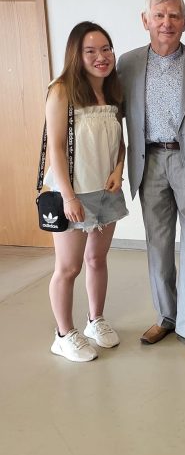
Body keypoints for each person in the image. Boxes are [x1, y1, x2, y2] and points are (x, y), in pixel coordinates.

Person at [117, 0, 185, 356]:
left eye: (174, 16)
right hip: (149, 162)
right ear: (145, 20)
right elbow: (113, 117)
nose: (166, 23)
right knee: (158, 243)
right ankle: (165, 316)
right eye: (159, 15)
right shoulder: (127, 64)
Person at [46, 22, 128, 362]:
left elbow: (119, 141)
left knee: (97, 259)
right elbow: (55, 148)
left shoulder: (113, 90)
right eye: (90, 51)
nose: (101, 57)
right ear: (76, 55)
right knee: (68, 268)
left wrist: (119, 171)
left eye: (106, 49)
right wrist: (68, 197)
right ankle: (63, 334)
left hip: (106, 191)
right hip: (74, 193)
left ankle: (96, 320)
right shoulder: (61, 90)